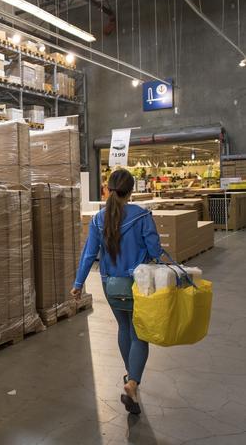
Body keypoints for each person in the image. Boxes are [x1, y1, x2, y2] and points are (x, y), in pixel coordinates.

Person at [70, 168, 163, 415]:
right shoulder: (142, 216)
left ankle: (129, 374)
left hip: (110, 285)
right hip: (138, 285)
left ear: (107, 189)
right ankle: (132, 382)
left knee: (124, 328)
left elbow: (89, 254)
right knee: (139, 334)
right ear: (131, 191)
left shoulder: (99, 219)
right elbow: (155, 252)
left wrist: (78, 284)